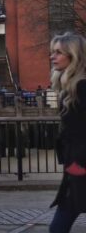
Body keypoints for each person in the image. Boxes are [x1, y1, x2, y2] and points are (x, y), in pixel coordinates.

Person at [48, 32, 86, 233]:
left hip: (80, 165)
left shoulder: (82, 87)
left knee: (58, 226)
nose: (52, 57)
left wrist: (79, 161)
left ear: (74, 56)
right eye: (52, 52)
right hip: (75, 166)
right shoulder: (70, 88)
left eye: (58, 52)